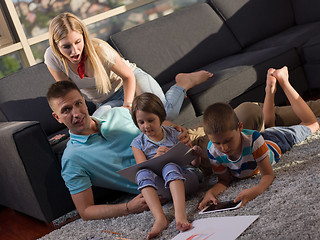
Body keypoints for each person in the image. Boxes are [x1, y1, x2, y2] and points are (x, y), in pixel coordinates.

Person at [46, 80, 192, 220]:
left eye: (78, 103)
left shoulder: (117, 113)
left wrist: (175, 129)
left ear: (84, 101)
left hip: (184, 156)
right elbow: (85, 211)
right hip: (161, 186)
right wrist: (128, 207)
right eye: (66, 110)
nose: (76, 113)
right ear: (57, 117)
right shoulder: (72, 159)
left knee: (212, 140)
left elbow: (152, 123)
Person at [44, 12, 213, 120]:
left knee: (165, 114)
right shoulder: (52, 58)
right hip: (104, 101)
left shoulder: (100, 50)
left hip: (132, 82)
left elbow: (128, 76)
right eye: (66, 46)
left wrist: (128, 106)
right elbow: (69, 94)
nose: (75, 51)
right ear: (56, 46)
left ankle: (183, 83)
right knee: (98, 126)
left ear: (83, 37)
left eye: (78, 42)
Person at [198, 66, 319, 210]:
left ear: (240, 127)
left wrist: (255, 190)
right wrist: (210, 193)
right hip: (261, 142)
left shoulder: (254, 140)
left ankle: (284, 81)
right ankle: (270, 89)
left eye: (228, 140)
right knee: (268, 126)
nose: (223, 148)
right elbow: (224, 180)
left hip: (276, 141)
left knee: (312, 124)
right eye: (217, 143)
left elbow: (268, 175)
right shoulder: (213, 151)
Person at [130, 93, 203, 239]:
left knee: (169, 166)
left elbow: (194, 164)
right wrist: (157, 158)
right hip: (163, 187)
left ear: (161, 117)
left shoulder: (174, 133)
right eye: (141, 122)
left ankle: (180, 215)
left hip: (187, 177)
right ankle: (160, 218)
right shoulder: (137, 144)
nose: (146, 126)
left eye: (151, 120)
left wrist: (197, 154)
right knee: (141, 173)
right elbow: (141, 169)